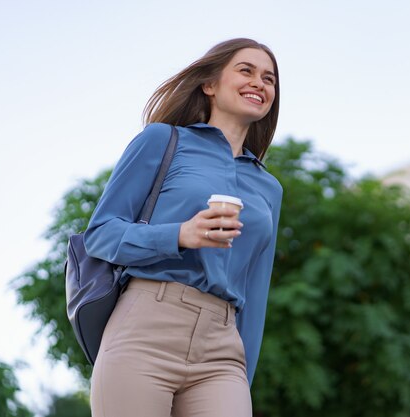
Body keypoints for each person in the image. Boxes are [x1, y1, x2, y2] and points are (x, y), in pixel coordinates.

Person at [83, 38, 282, 417]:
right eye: (246, 71)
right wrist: (179, 235)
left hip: (222, 349)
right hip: (146, 328)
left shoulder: (269, 188)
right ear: (209, 84)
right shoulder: (163, 140)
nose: (260, 83)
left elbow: (255, 293)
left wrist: (244, 370)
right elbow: (101, 233)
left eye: (269, 79)